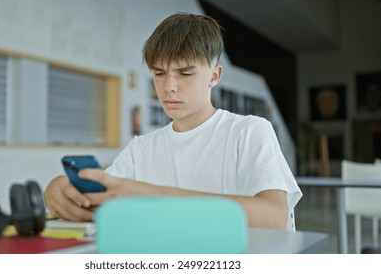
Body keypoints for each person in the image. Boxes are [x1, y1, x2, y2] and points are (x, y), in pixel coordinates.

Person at [44, 12, 302, 231]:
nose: (169, 87)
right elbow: (102, 193)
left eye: (185, 73)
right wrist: (57, 190)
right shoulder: (141, 149)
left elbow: (274, 217)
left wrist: (148, 194)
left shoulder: (248, 131)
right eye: (159, 73)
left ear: (214, 76)